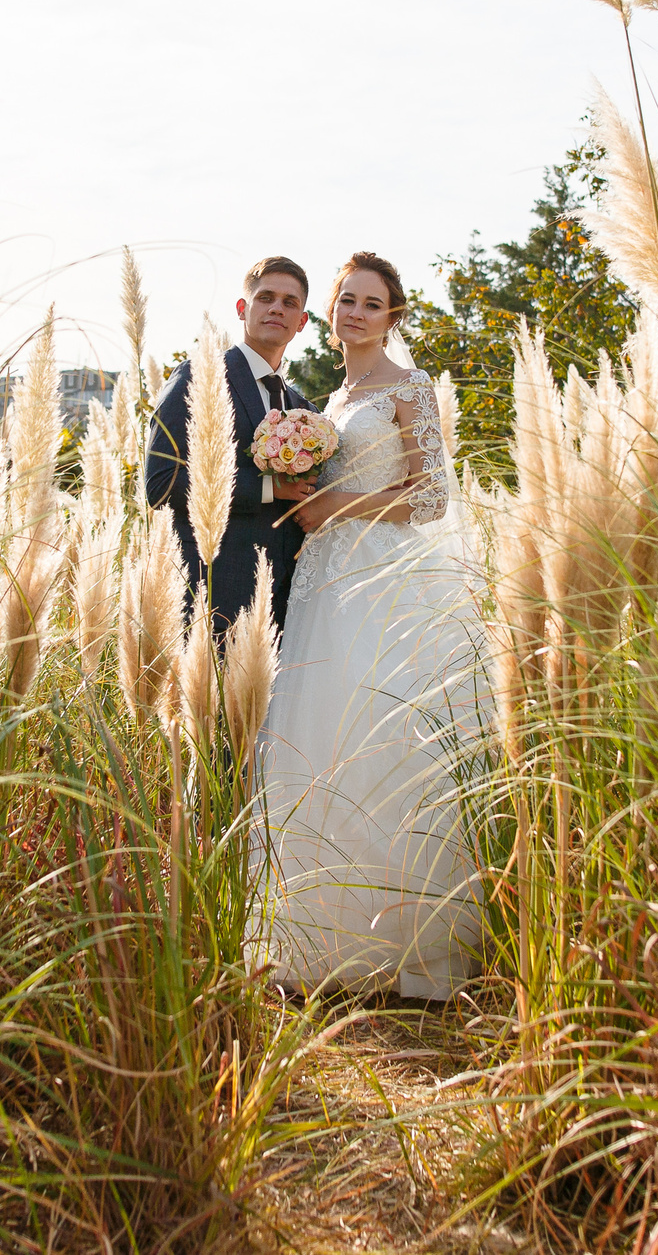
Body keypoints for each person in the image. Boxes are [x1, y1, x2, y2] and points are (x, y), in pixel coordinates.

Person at [258, 251, 484, 1000]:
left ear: (393, 316)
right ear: (332, 311)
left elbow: (431, 499)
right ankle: (319, 941)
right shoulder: (327, 397)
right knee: (319, 736)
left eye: (371, 302)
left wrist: (336, 507)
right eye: (346, 299)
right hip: (323, 582)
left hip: (384, 573)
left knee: (387, 733)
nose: (355, 311)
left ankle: (405, 944)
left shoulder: (407, 387)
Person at [142, 257, 318, 633]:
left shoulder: (304, 410)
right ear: (243, 309)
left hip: (284, 604)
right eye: (265, 297)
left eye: (290, 302)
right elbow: (160, 483)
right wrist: (270, 488)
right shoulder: (199, 377)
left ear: (301, 322)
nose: (276, 308)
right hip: (210, 589)